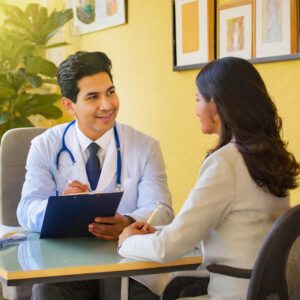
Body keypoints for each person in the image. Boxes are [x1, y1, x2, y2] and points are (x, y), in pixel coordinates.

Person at [118, 56, 299, 299]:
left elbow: (168, 248)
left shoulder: (226, 163)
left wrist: (127, 240)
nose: (195, 111)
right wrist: (158, 231)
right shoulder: (269, 156)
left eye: (197, 100)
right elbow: (232, 230)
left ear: (215, 106)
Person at [17, 51, 174, 300]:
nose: (107, 105)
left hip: (128, 264)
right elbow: (26, 208)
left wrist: (128, 221)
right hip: (67, 267)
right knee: (48, 293)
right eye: (93, 97)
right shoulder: (45, 145)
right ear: (69, 105)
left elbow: (162, 208)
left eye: (110, 92)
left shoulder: (145, 146)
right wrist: (60, 208)